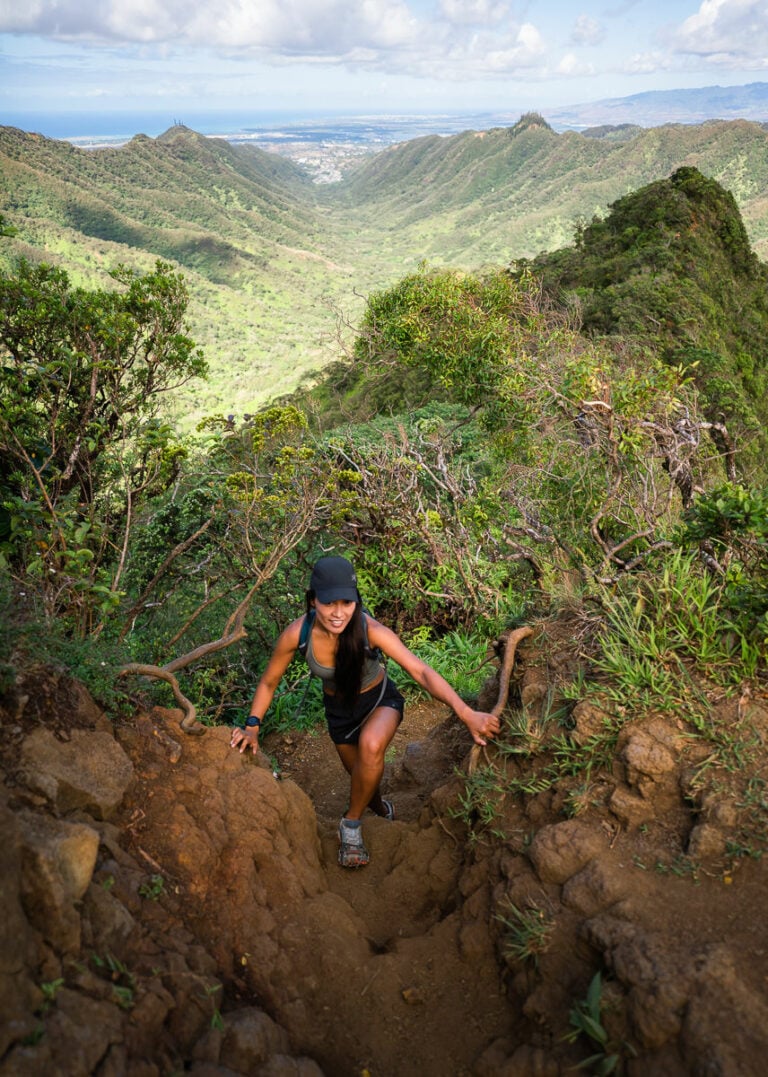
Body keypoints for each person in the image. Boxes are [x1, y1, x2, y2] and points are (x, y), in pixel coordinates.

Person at [230, 555, 500, 868]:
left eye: (347, 603)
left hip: (379, 700)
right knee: (362, 776)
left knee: (371, 747)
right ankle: (381, 809)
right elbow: (269, 682)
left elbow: (421, 671)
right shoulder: (297, 634)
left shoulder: (370, 630)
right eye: (329, 603)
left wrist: (467, 713)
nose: (338, 613)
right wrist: (252, 726)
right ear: (313, 600)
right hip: (339, 713)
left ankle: (350, 824)